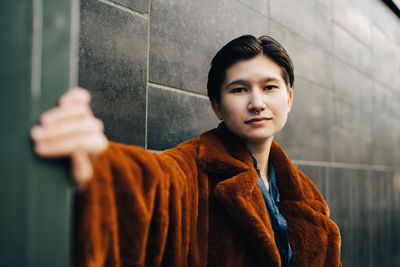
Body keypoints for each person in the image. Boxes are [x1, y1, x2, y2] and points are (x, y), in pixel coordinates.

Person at [31, 35, 341, 266]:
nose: (257, 102)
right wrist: (100, 166)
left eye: (269, 87)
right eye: (239, 89)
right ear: (217, 106)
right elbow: (152, 181)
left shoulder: (303, 194)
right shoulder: (192, 167)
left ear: (288, 99)